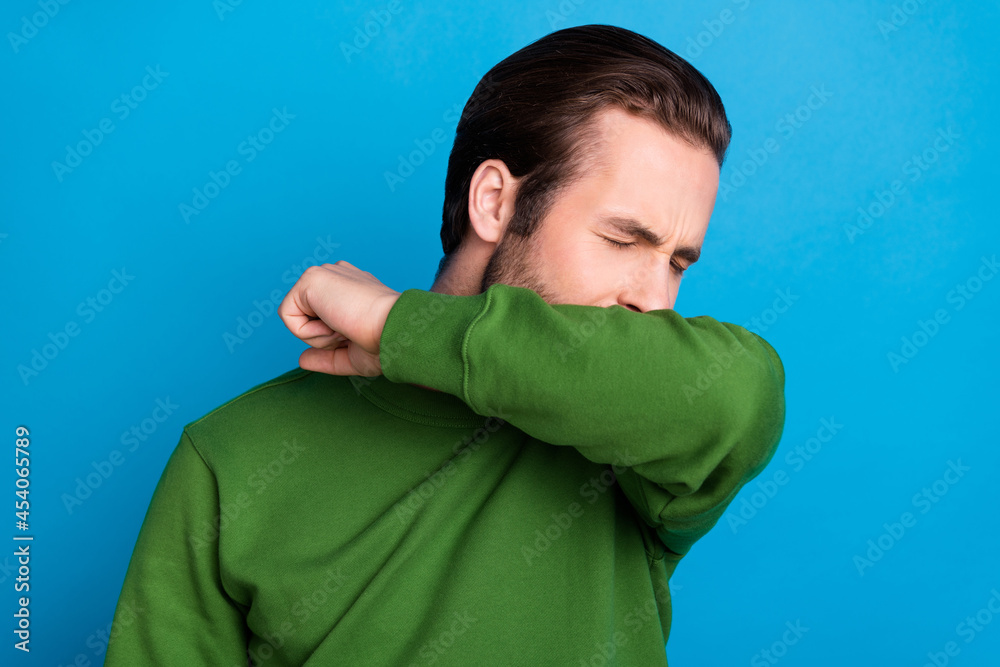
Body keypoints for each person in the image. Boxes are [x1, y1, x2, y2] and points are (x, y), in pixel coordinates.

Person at [105, 23, 785, 666]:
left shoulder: (641, 440)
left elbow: (744, 393)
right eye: (621, 240)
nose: (654, 298)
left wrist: (395, 325)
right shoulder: (232, 456)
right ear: (495, 201)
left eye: (677, 262)